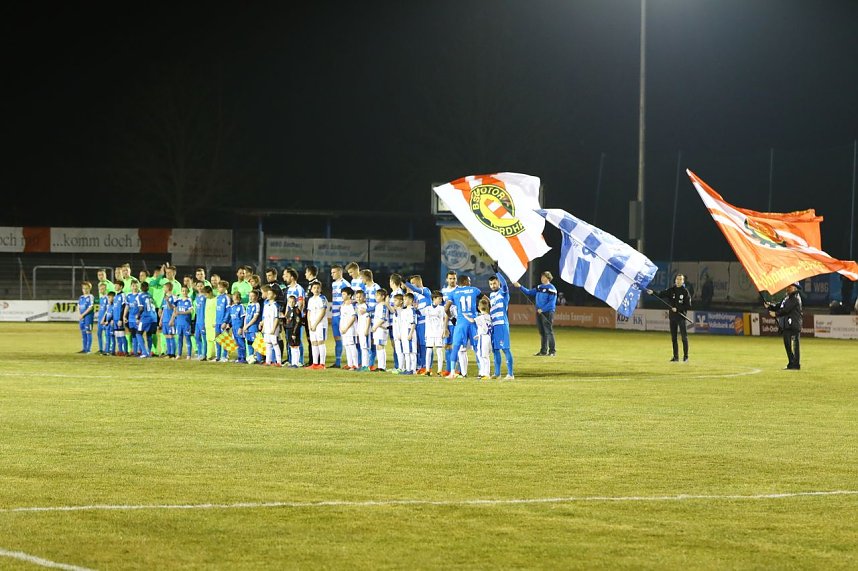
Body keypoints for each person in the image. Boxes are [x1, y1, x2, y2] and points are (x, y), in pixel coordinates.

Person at [647, 273, 692, 362]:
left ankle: (686, 357)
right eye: (677, 279)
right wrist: (653, 292)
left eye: (680, 279)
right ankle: (675, 357)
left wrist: (678, 309)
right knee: (674, 338)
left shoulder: (685, 292)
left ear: (683, 281)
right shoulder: (671, 290)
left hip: (681, 317)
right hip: (672, 317)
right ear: (675, 280)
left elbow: (688, 305)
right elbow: (660, 294)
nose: (678, 281)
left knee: (684, 338)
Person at [444, 274, 482, 378]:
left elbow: (446, 308)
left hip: (460, 322)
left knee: (456, 347)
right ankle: (482, 372)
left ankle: (452, 373)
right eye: (469, 281)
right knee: (477, 348)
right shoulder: (474, 290)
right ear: (465, 281)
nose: (470, 283)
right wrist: (482, 312)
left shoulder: (453, 292)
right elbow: (486, 300)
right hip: (473, 322)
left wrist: (452, 318)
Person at [514, 272, 557, 357]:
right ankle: (543, 351)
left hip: (547, 312)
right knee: (542, 332)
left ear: (548, 278)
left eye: (544, 277)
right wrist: (520, 286)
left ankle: (552, 351)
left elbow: (552, 303)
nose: (542, 278)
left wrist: (543, 309)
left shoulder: (552, 288)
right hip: (539, 312)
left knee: (548, 332)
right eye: (541, 276)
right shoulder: (539, 287)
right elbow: (529, 292)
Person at [767, 282, 803, 370]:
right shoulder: (787, 297)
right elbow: (779, 306)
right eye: (787, 286)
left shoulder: (795, 298)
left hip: (793, 325)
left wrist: (775, 314)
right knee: (787, 345)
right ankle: (791, 363)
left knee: (794, 346)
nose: (787, 288)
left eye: (790, 287)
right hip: (787, 325)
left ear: (795, 288)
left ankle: (796, 364)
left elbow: (786, 310)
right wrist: (770, 306)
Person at [488, 269, 514, 379]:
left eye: (494, 283)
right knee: (495, 350)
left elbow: (505, 284)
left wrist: (497, 272)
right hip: (493, 325)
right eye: (490, 284)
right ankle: (497, 373)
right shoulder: (491, 295)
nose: (492, 286)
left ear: (498, 282)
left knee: (505, 349)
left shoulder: (503, 293)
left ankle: (510, 374)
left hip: (502, 324)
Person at [404, 275, 431, 374]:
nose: (411, 286)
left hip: (425, 323)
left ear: (417, 282)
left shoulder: (426, 291)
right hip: (417, 323)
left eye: (412, 283)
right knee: (418, 345)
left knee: (425, 345)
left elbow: (415, 289)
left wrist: (406, 283)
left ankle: (426, 366)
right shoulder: (415, 296)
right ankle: (418, 365)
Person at [421, 291, 448, 376]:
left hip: (438, 332)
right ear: (434, 298)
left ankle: (439, 370)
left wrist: (444, 330)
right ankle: (427, 370)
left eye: (441, 299)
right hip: (429, 333)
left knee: (439, 351)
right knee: (429, 351)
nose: (441, 300)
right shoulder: (427, 308)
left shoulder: (442, 308)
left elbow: (445, 318)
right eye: (439, 298)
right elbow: (420, 313)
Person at [329, 265, 350, 368]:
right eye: (331, 272)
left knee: (346, 339)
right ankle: (337, 362)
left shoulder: (345, 284)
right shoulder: (333, 284)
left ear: (340, 272)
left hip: (342, 316)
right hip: (334, 315)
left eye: (334, 272)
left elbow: (349, 299)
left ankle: (351, 362)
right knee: (337, 338)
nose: (332, 274)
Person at [306, 280, 328, 369]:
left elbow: (323, 312)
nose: (316, 289)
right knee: (314, 343)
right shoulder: (310, 300)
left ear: (320, 289)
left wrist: (315, 324)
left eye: (318, 288)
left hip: (320, 324)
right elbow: (309, 312)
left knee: (320, 342)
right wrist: (309, 323)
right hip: (312, 324)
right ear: (311, 290)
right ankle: (315, 363)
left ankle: (322, 364)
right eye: (314, 288)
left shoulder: (322, 298)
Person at [261, 285, 283, 367]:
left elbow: (276, 318)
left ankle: (279, 362)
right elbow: (265, 317)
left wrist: (274, 329)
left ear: (274, 295)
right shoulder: (266, 305)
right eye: (268, 293)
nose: (268, 295)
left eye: (270, 293)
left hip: (273, 328)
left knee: (275, 344)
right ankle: (268, 361)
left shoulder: (275, 306)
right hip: (267, 328)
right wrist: (263, 327)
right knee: (268, 344)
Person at [171, 285, 194, 359]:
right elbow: (174, 308)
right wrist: (173, 318)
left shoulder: (189, 300)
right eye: (183, 291)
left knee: (187, 338)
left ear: (188, 292)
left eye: (186, 291)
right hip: (179, 323)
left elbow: (190, 310)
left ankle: (189, 355)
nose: (184, 292)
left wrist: (181, 313)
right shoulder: (178, 300)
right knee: (179, 338)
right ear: (181, 291)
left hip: (186, 323)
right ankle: (179, 354)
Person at [339, 287, 358, 370]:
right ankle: (350, 364)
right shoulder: (343, 305)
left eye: (344, 294)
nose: (342, 296)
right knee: (346, 346)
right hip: (343, 329)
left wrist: (346, 328)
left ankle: (355, 364)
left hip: (350, 329)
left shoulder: (351, 305)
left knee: (352, 346)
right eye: (342, 294)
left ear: (349, 295)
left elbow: (353, 318)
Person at [371, 288, 390, 372]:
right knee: (378, 346)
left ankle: (382, 367)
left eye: (377, 295)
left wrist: (375, 327)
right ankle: (380, 366)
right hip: (378, 329)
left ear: (383, 296)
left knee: (380, 346)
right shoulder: (378, 305)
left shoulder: (383, 306)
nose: (376, 297)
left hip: (381, 329)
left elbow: (383, 318)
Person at [474, 297, 493, 379]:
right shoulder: (490, 317)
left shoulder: (480, 317)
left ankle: (485, 373)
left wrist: (465, 315)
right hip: (489, 337)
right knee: (484, 355)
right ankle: (483, 372)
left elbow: (472, 321)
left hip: (483, 337)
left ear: (479, 307)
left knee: (482, 356)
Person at [399, 293, 418, 374]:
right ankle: (407, 369)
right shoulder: (403, 311)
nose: (404, 301)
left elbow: (413, 323)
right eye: (404, 299)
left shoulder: (412, 310)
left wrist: (410, 333)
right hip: (404, 332)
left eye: (405, 299)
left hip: (409, 331)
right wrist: (400, 333)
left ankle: (413, 370)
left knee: (412, 352)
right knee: (406, 351)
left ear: (410, 300)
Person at [226, 291, 247, 363]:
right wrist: (229, 325)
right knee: (237, 343)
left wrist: (241, 327)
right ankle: (239, 357)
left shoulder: (241, 307)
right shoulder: (232, 307)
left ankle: (243, 358)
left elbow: (243, 318)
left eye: (237, 298)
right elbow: (232, 318)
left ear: (240, 298)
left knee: (241, 343)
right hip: (234, 328)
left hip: (239, 327)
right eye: (234, 298)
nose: (236, 300)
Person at [243, 290, 262, 364]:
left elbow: (255, 318)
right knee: (249, 342)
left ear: (256, 297)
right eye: (249, 296)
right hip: (247, 327)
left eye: (252, 296)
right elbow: (246, 316)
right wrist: (245, 326)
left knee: (256, 343)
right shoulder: (249, 305)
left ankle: (258, 358)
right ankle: (251, 357)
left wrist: (248, 325)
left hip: (253, 327)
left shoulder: (257, 305)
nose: (250, 298)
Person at [159, 282, 177, 358]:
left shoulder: (174, 297)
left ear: (168, 288)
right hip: (165, 320)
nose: (163, 289)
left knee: (171, 336)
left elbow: (173, 308)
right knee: (166, 336)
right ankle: (169, 353)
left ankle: (173, 354)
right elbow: (164, 309)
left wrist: (172, 320)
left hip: (170, 320)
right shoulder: (165, 297)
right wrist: (161, 320)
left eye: (164, 287)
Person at [355, 290, 371, 371]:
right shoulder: (358, 306)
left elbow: (368, 318)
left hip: (364, 329)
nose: (358, 298)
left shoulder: (365, 306)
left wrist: (367, 329)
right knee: (362, 347)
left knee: (365, 348)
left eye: (360, 297)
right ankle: (363, 365)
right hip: (360, 329)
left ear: (364, 297)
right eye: (357, 297)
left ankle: (366, 366)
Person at [215, 281, 231, 362]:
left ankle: (225, 356)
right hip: (217, 322)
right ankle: (218, 356)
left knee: (225, 339)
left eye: (220, 287)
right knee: (217, 339)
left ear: (225, 288)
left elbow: (228, 310)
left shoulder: (226, 297)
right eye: (218, 287)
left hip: (223, 322)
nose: (219, 288)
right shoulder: (218, 297)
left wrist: (225, 321)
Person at [77, 281, 94, 354]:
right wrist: (79, 315)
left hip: (88, 317)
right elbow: (78, 307)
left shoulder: (90, 297)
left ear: (89, 289)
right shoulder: (81, 297)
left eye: (87, 288)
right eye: (84, 288)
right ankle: (84, 349)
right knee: (83, 333)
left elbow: (91, 307)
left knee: (88, 332)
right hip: (82, 318)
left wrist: (83, 315)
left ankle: (88, 349)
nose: (85, 290)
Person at [95, 281, 110, 355]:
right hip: (100, 319)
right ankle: (101, 349)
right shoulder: (101, 298)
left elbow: (108, 309)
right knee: (99, 334)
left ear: (106, 289)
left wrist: (104, 319)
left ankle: (107, 349)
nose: (101, 290)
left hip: (105, 319)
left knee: (107, 335)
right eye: (100, 289)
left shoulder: (107, 298)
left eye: (103, 289)